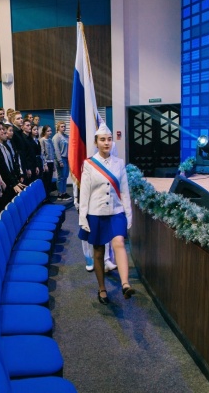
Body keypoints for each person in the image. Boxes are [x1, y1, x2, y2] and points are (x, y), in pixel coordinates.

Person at [78, 124, 134, 305]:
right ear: (96, 142)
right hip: (96, 212)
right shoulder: (89, 164)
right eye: (102, 140)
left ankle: (125, 284)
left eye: (109, 139)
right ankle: (102, 289)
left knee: (119, 242)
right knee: (99, 250)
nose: (107, 143)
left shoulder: (119, 163)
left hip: (116, 211)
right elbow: (84, 193)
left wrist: (128, 213)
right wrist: (83, 217)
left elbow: (124, 190)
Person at [53, 120, 71, 200]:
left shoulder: (66, 136)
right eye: (62, 127)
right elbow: (56, 150)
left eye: (64, 126)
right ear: (58, 128)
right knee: (61, 176)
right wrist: (60, 161)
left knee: (65, 176)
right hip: (61, 158)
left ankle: (64, 192)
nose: (63, 128)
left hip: (67, 158)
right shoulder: (56, 137)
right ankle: (60, 194)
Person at [39, 125, 56, 197]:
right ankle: (45, 196)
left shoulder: (50, 140)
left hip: (51, 162)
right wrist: (45, 164)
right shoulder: (42, 140)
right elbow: (42, 153)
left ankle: (48, 194)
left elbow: (52, 152)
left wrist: (54, 163)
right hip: (46, 163)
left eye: (50, 131)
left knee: (49, 180)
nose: (50, 132)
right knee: (46, 180)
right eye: (48, 131)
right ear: (44, 132)